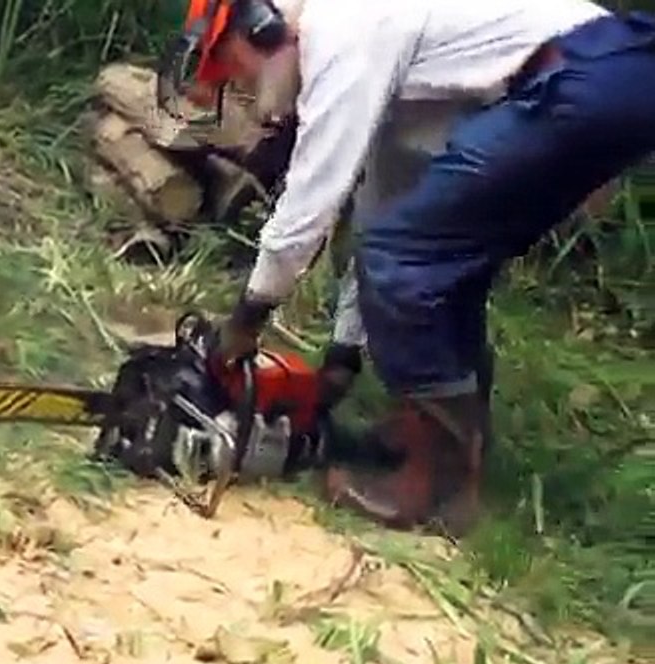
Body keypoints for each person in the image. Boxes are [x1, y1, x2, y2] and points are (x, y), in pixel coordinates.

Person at [164, 0, 655, 535]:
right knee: (435, 259)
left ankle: (434, 488)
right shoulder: (397, 53)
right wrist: (342, 356)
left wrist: (246, 320)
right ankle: (444, 450)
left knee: (406, 260)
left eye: (232, 65)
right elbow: (385, 199)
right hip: (604, 70)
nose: (239, 84)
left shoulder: (342, 30)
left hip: (585, 71)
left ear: (261, 27)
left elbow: (311, 204)